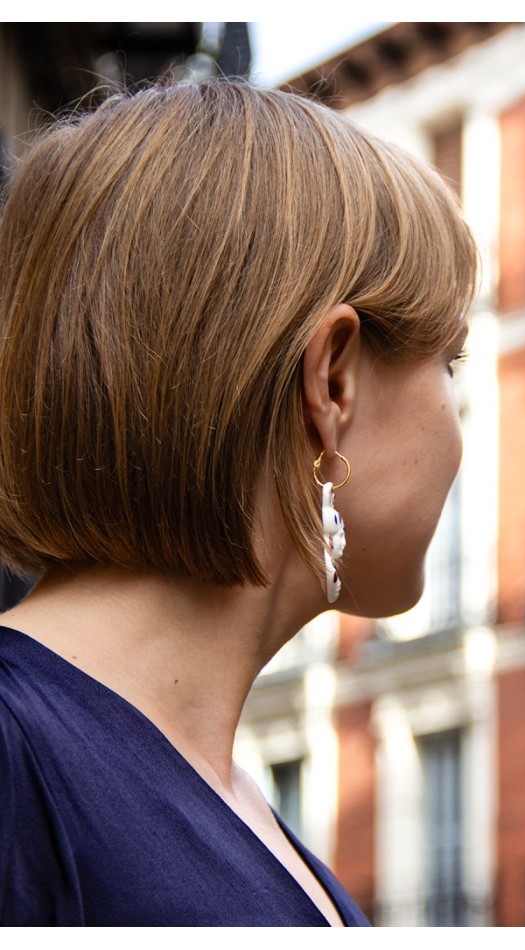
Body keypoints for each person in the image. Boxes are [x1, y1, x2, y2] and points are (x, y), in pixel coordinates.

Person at [0, 79, 478, 926]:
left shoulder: (233, 798)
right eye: (452, 363)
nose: (457, 417)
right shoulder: (19, 761)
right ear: (332, 382)